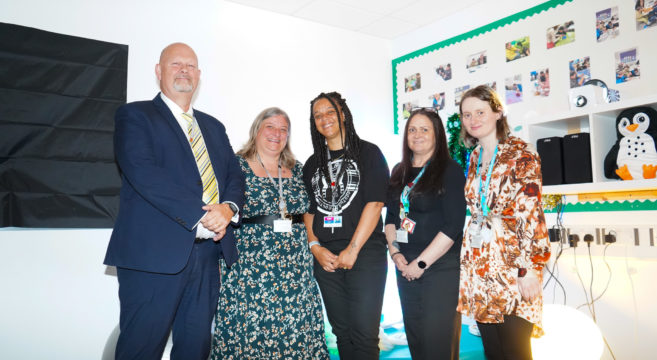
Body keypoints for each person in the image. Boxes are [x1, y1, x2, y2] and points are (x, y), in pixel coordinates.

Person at [104, 43, 244, 360]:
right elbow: (143, 172)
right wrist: (203, 215)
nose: (184, 70)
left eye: (191, 66)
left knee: (195, 348)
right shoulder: (135, 115)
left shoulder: (214, 126)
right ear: (159, 71)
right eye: (175, 64)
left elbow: (234, 176)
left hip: (207, 257)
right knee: (141, 348)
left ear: (198, 75)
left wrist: (228, 209)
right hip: (153, 257)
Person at [211, 107, 329, 359]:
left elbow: (310, 210)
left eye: (283, 129)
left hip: (296, 269)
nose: (277, 134)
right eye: (271, 127)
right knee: (250, 333)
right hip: (250, 270)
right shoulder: (235, 166)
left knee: (296, 333)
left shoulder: (298, 169)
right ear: (257, 130)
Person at [456, 85, 551, 360]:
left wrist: (528, 268)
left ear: (498, 112)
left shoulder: (521, 153)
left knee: (515, 350)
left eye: (480, 112)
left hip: (514, 265)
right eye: (466, 114)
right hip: (481, 263)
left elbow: (530, 213)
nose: (473, 119)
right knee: (493, 351)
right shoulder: (474, 157)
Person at [303, 91, 390, 360]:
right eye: (318, 115)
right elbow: (309, 211)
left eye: (330, 111)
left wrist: (353, 249)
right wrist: (315, 247)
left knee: (364, 334)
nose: (324, 119)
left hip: (364, 252)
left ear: (343, 114)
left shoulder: (369, 153)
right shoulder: (311, 163)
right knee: (343, 333)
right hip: (326, 258)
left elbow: (375, 204)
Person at [384, 108, 466, 360]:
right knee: (416, 341)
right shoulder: (399, 170)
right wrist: (396, 253)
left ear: (437, 135)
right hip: (405, 268)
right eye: (412, 129)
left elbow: (453, 226)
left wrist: (421, 263)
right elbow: (391, 218)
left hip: (439, 269)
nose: (417, 134)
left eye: (424, 129)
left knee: (438, 346)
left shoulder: (449, 170)